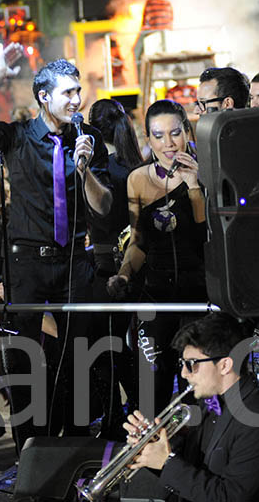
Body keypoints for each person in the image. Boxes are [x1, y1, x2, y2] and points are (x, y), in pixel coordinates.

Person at [0, 45, 112, 451]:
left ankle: (75, 448)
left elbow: (105, 207)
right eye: (67, 93)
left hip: (76, 260)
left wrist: (85, 169)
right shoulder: (18, 137)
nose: (76, 100)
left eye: (78, 91)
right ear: (44, 98)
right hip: (28, 265)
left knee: (79, 357)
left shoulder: (88, 138)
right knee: (25, 359)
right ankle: (31, 447)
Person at [123, 313, 259, 502]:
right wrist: (154, 445)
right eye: (182, 364)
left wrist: (166, 462)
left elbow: (229, 497)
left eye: (191, 364)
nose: (184, 373)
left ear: (225, 365)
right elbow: (190, 472)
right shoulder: (208, 405)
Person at [107, 99, 206, 412]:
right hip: (155, 294)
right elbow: (138, 241)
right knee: (152, 390)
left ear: (187, 132)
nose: (168, 143)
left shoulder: (205, 172)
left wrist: (194, 186)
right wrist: (124, 273)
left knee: (198, 391)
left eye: (175, 133)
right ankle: (155, 457)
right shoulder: (138, 179)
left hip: (198, 293)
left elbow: (207, 236)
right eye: (159, 135)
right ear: (147, 139)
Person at [87, 98, 144, 436]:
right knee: (127, 343)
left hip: (105, 264)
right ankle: (135, 408)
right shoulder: (135, 165)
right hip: (136, 261)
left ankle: (115, 415)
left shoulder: (100, 172)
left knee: (107, 345)